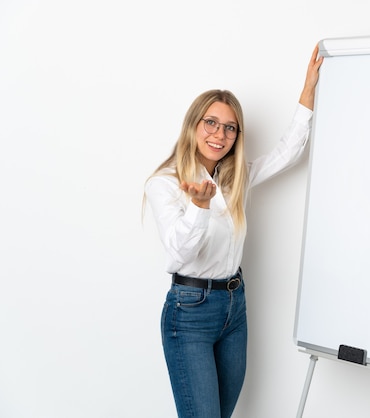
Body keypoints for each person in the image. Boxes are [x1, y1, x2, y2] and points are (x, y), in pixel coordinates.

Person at [143, 45, 323, 418]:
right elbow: (177, 256)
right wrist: (199, 208)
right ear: (193, 125)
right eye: (211, 122)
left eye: (229, 127)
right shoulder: (164, 183)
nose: (219, 134)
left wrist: (308, 91)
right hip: (189, 313)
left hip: (233, 307)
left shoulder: (234, 179)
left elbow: (287, 153)